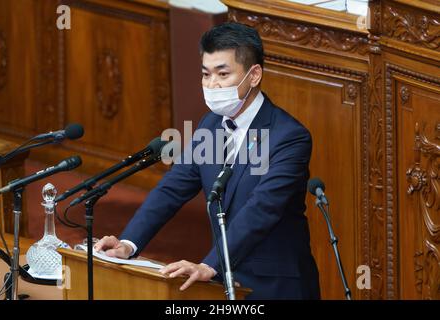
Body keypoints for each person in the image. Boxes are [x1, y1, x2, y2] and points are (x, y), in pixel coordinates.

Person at [95, 22, 320, 300]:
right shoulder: (210, 125)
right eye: (206, 74)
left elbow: (262, 210)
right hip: (221, 282)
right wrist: (129, 243)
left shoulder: (289, 137)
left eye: (223, 74)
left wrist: (209, 265)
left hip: (274, 284)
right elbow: (172, 189)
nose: (212, 85)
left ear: (254, 75)